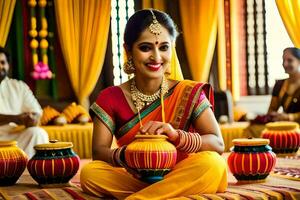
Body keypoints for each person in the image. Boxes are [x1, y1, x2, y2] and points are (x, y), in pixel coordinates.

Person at [80, 9, 227, 199]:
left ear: (172, 48)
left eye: (164, 47)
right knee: (90, 174)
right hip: (134, 177)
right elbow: (99, 152)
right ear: (128, 50)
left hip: (181, 173)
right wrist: (129, 155)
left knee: (213, 164)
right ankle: (161, 195)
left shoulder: (188, 92)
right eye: (145, 47)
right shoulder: (110, 97)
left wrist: (176, 136)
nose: (156, 57)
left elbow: (217, 143)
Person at [0, 47, 49, 158]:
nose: (0, 66)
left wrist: (32, 119)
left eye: (2, 62)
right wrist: (17, 118)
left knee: (37, 133)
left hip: (14, 137)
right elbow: (17, 118)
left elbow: (37, 112)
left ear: (8, 65)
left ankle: (30, 171)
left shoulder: (18, 86)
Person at [268, 47, 300, 123]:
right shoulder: (279, 84)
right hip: (285, 127)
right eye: (283, 60)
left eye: (290, 60)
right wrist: (275, 115)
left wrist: (289, 117)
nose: (285, 64)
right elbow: (271, 110)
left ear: (299, 62)